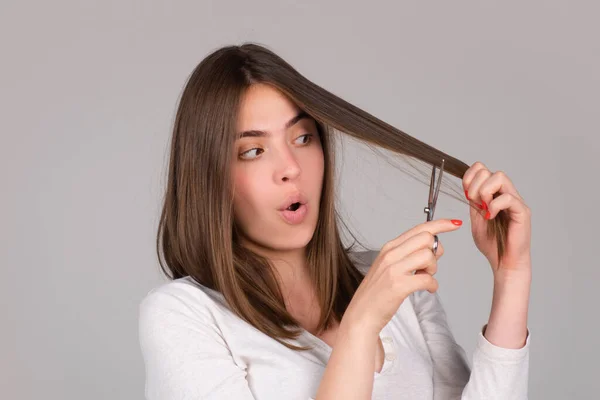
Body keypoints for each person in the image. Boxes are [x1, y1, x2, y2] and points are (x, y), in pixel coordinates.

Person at [138, 43, 532, 400]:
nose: (290, 167)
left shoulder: (399, 287)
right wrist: (360, 327)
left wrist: (511, 276)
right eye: (254, 150)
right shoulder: (184, 316)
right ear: (209, 176)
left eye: (303, 138)